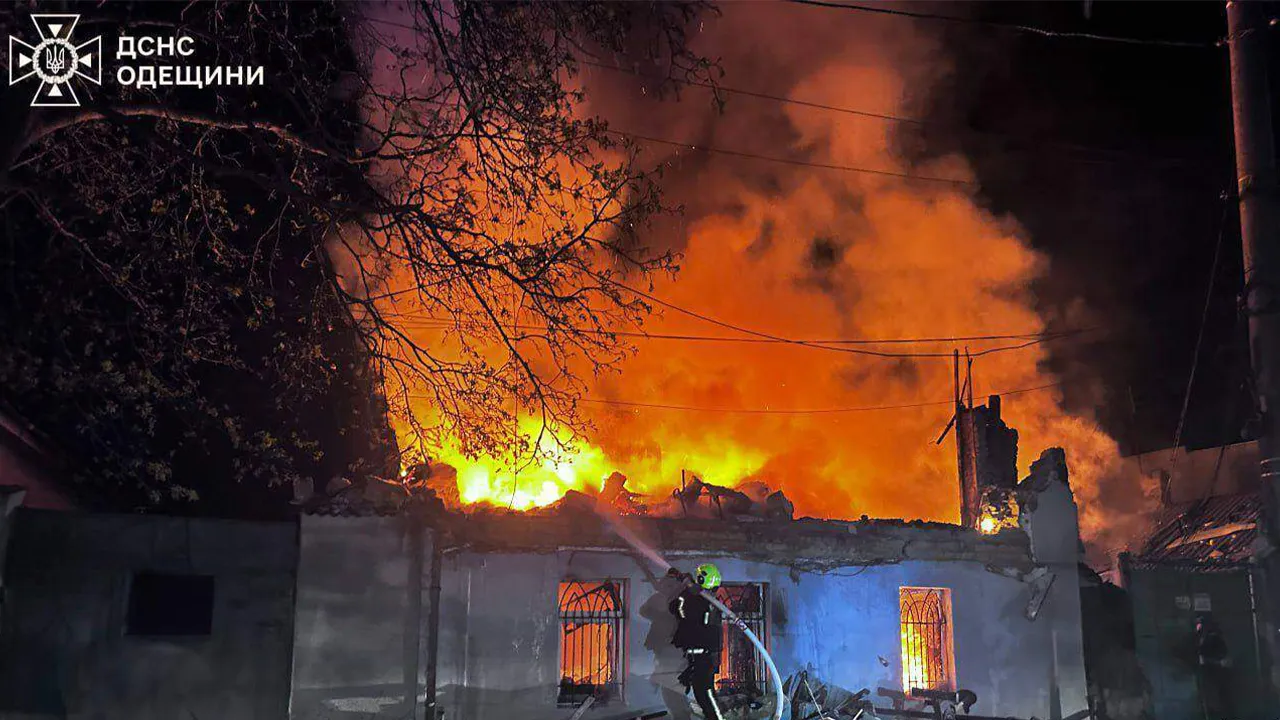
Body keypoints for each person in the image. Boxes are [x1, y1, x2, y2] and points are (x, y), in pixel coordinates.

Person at [668, 564, 726, 720]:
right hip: (702, 656)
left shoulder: (700, 601)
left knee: (704, 693)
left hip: (703, 657)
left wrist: (687, 589)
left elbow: (675, 608)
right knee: (703, 693)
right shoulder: (709, 601)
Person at [1194, 612, 1233, 719]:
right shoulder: (1203, 638)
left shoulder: (1213, 638)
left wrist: (1212, 662)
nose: (1198, 626)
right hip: (1210, 677)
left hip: (1215, 677)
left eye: (1200, 624)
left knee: (1217, 703)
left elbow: (1222, 658)